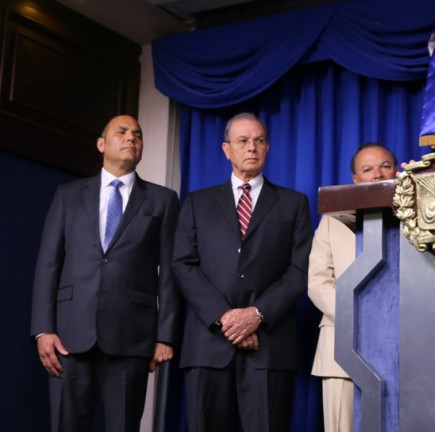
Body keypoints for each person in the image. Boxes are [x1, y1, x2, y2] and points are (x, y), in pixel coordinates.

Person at [30, 114, 180, 431]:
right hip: (68, 337)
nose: (131, 138)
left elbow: (170, 272)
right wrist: (43, 329)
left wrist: (165, 336)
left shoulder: (163, 200)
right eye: (122, 132)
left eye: (137, 134)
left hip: (132, 337)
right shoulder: (68, 194)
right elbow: (48, 265)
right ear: (101, 144)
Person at [172, 112, 312, 431]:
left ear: (267, 148)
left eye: (259, 140)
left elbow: (299, 270)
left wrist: (256, 315)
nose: (252, 147)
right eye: (243, 141)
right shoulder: (196, 203)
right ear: (226, 149)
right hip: (208, 345)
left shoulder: (294, 204)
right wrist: (226, 318)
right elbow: (183, 264)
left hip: (270, 346)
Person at [308, 142, 398, 432]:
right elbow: (317, 281)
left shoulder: (416, 216)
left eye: (385, 166)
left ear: (397, 172)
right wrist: (356, 316)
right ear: (356, 179)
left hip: (401, 346)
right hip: (341, 344)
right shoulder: (332, 219)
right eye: (368, 169)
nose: (377, 175)